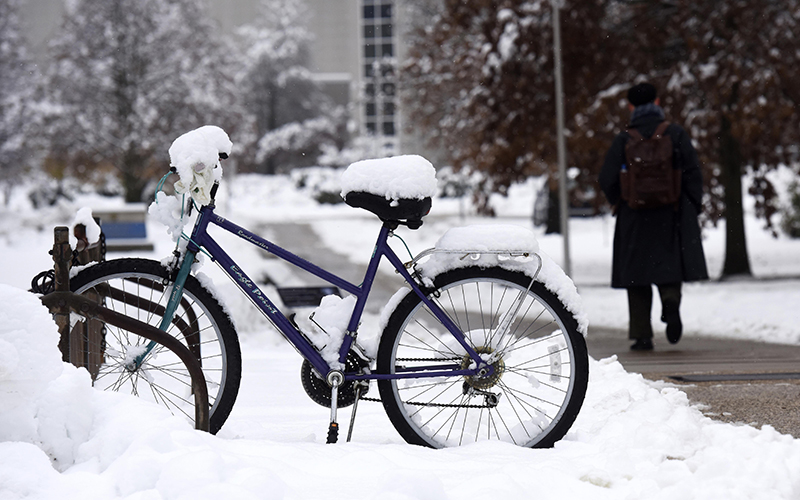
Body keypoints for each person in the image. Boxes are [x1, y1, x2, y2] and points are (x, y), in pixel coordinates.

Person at [598, 82, 708, 351]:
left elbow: (606, 178)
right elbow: (693, 172)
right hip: (672, 213)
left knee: (637, 276)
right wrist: (691, 203)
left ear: (630, 106)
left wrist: (622, 201)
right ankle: (670, 302)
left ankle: (642, 334)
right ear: (657, 103)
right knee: (669, 264)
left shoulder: (624, 139)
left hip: (634, 216)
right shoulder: (675, 133)